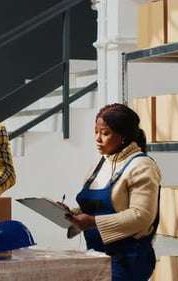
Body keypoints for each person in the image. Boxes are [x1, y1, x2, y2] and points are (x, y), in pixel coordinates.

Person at [64, 103, 161, 281]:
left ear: (123, 136)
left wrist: (92, 222)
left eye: (105, 133)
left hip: (128, 260)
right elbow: (92, 207)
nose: (98, 139)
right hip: (96, 256)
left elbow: (142, 216)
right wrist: (70, 213)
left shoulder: (142, 166)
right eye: (96, 132)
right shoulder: (99, 166)